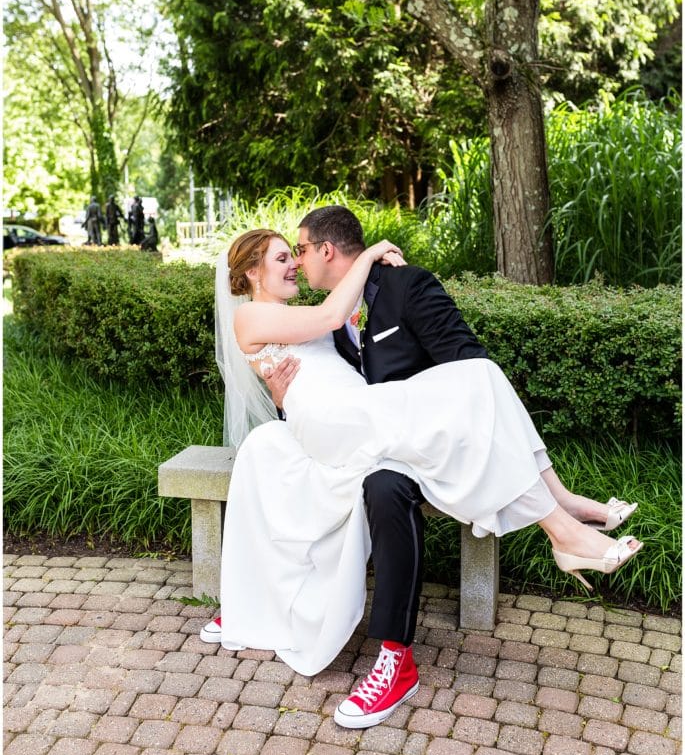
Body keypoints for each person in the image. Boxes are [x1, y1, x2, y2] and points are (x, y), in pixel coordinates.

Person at [204, 212, 641, 728]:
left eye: (296, 252)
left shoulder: (315, 310)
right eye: (283, 256)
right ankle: (564, 525)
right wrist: (368, 256)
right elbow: (324, 324)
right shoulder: (251, 317)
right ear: (253, 272)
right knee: (480, 381)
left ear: (325, 251)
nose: (294, 263)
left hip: (356, 415)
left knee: (481, 377)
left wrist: (289, 385)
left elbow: (332, 349)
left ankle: (563, 516)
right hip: (335, 422)